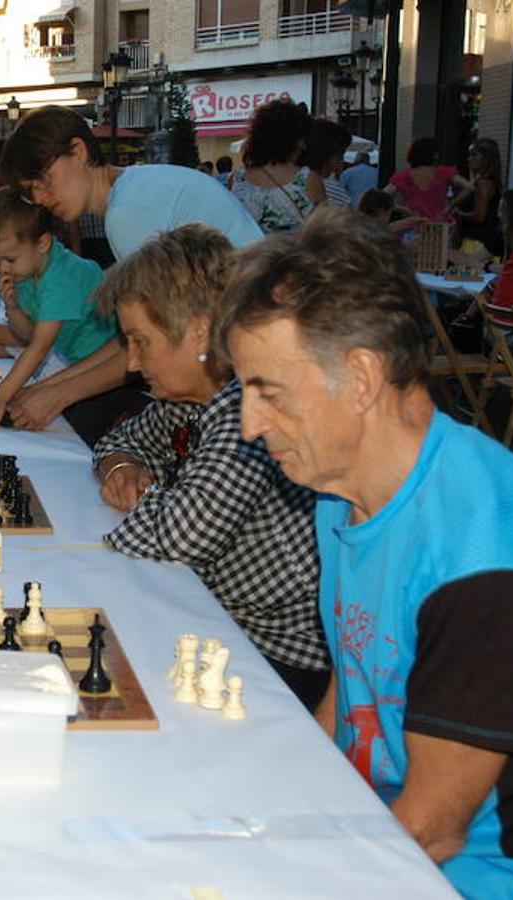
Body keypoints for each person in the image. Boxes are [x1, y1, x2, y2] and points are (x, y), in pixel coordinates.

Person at [220, 206, 513, 897]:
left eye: (266, 392)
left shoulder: (482, 561)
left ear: (359, 378)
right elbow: (354, 686)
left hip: (494, 879)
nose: (246, 424)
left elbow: (432, 830)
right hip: (383, 829)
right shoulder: (341, 491)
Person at [91, 224, 328, 708]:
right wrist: (120, 467)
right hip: (217, 618)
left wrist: (154, 495)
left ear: (200, 330)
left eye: (142, 341)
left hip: (278, 660)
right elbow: (116, 441)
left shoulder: (247, 408)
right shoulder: (187, 399)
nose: (133, 363)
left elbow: (180, 537)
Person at [0, 104, 261, 435]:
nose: (40, 197)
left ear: (78, 151)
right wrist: (47, 390)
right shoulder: (134, 187)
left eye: (43, 180)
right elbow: (132, 339)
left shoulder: (126, 212)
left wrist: (57, 395)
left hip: (247, 357)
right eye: (30, 191)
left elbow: (151, 342)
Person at [0, 187, 115, 432]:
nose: (3, 268)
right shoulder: (28, 271)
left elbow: (39, 347)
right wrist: (13, 309)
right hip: (75, 360)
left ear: (42, 242)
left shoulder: (59, 280)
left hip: (110, 366)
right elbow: (27, 335)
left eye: (10, 259)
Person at [230, 99, 324, 233]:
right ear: (293, 139)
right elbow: (325, 231)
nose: (305, 146)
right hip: (293, 253)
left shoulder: (237, 179)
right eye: (303, 139)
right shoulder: (307, 179)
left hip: (248, 253)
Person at [386, 137, 473, 223]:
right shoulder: (443, 172)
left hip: (414, 224)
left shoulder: (402, 177)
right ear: (433, 155)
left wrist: (405, 210)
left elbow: (382, 196)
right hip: (440, 224)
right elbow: (470, 187)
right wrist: (450, 207)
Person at [454, 138, 504, 257]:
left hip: (477, 244)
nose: (469, 159)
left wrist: (458, 214)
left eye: (474, 155)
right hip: (483, 242)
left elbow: (480, 216)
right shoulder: (492, 182)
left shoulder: (484, 184)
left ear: (486, 158)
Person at [305, 118, 352, 207]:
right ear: (327, 154)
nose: (341, 161)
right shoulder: (338, 194)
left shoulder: (292, 182)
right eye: (340, 155)